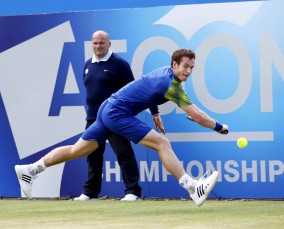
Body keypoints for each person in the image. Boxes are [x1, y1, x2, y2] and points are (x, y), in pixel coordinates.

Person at [15, 48, 229, 206]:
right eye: (185, 66)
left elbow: (147, 88)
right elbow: (198, 116)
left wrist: (154, 112)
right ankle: (192, 188)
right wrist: (220, 127)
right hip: (117, 112)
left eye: (192, 67)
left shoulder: (164, 72)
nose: (189, 71)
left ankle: (31, 170)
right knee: (162, 143)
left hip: (107, 107)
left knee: (78, 150)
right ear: (174, 65)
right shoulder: (171, 85)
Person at [74, 30, 141, 201]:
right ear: (91, 44)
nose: (98, 46)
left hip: (115, 118)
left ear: (109, 44)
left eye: (102, 43)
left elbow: (133, 90)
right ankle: (90, 192)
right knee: (92, 156)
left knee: (123, 154)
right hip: (93, 119)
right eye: (95, 43)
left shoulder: (119, 64)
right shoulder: (88, 64)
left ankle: (133, 192)